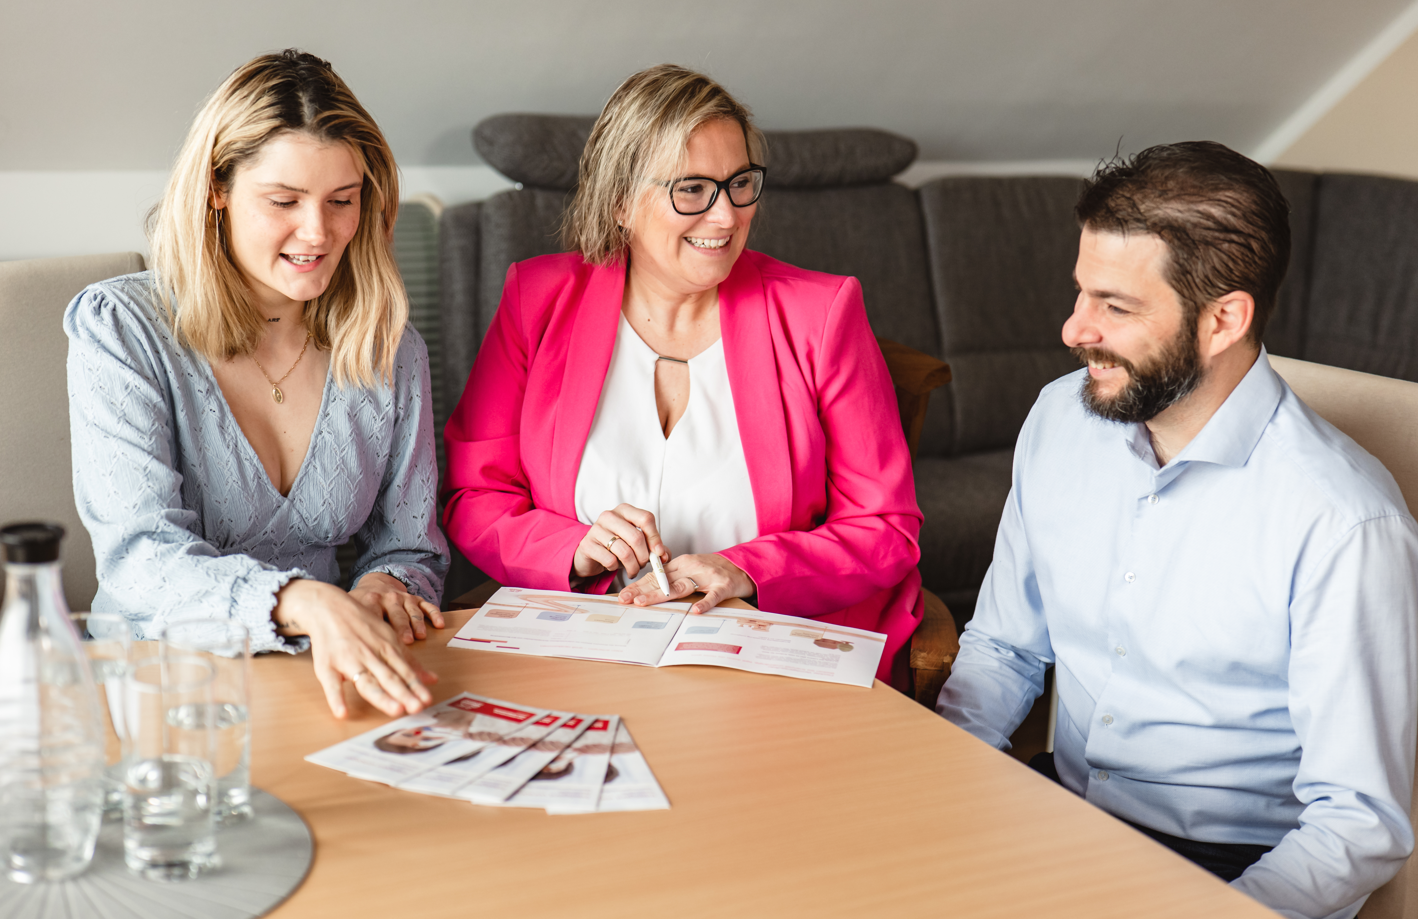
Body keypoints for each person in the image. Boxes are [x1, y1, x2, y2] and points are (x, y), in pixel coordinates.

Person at [937, 141, 1418, 919]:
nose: (1073, 329)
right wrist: (935, 785)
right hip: (1058, 813)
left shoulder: (1345, 523)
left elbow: (1357, 821)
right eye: (1081, 293)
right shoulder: (1061, 418)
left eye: (1115, 308)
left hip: (1229, 872)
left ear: (1224, 318)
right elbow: (1004, 649)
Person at [442, 64, 923, 686]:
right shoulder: (537, 298)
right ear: (619, 201)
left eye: (740, 183)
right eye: (692, 190)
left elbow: (884, 528)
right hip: (587, 645)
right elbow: (474, 494)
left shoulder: (821, 313)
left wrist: (748, 570)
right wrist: (572, 549)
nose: (725, 217)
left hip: (763, 652)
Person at [66, 50, 449, 720]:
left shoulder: (387, 349)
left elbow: (411, 545)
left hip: (321, 688)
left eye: (342, 200)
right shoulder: (121, 329)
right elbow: (139, 557)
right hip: (153, 692)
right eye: (284, 201)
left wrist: (388, 584)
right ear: (217, 187)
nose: (319, 232)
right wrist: (298, 601)